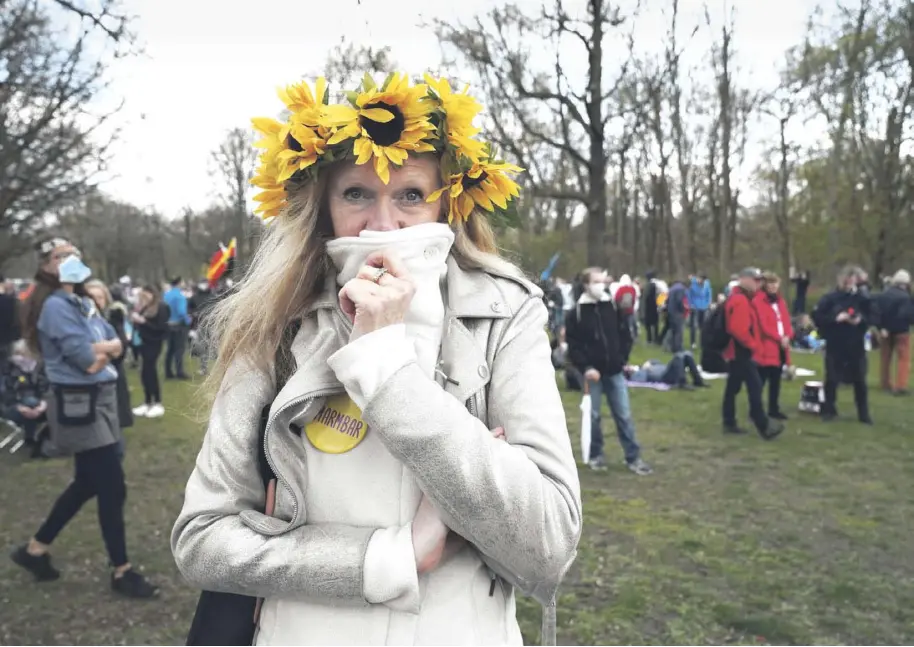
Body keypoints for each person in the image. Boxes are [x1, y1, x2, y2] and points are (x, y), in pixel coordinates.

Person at [171, 73, 582, 645]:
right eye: (357, 194)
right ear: (323, 209)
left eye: (411, 195)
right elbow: (202, 539)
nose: (383, 226)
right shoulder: (272, 323)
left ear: (447, 205)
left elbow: (548, 543)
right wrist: (389, 560)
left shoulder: (504, 314)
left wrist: (384, 365)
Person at [11, 244, 157, 598]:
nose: (70, 260)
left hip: (100, 400)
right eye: (60, 256)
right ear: (46, 267)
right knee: (110, 485)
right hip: (79, 404)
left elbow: (118, 342)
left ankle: (34, 550)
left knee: (87, 483)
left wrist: (105, 350)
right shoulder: (55, 307)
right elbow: (84, 360)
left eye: (74, 253)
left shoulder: (82, 302)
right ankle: (121, 571)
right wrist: (104, 351)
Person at [566, 267, 651, 474]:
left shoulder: (611, 306)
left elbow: (624, 334)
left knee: (623, 414)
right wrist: (586, 367)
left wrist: (621, 358)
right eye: (595, 281)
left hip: (614, 370)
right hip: (592, 373)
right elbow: (573, 346)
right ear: (586, 284)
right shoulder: (576, 312)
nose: (600, 285)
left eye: (602, 281)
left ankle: (633, 457)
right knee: (594, 416)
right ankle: (596, 455)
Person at [721, 268, 784, 439]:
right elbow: (738, 329)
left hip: (736, 351)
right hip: (741, 351)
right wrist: (753, 345)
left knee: (733, 387)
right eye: (755, 280)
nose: (759, 284)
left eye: (760, 281)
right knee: (754, 386)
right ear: (744, 279)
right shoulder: (741, 300)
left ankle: (729, 421)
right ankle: (763, 426)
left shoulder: (740, 298)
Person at [811, 266, 873, 424]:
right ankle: (829, 409)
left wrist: (860, 320)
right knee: (831, 378)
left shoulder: (862, 298)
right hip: (835, 343)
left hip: (856, 343)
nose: (848, 283)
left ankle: (863, 414)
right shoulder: (829, 298)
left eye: (851, 279)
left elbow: (873, 316)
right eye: (845, 280)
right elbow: (818, 317)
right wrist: (835, 318)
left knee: (860, 380)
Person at [86, 280, 134, 433]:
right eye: (91, 297)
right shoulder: (80, 321)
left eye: (100, 297)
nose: (96, 301)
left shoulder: (112, 318)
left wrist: (97, 349)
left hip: (113, 373)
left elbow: (120, 348)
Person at [753, 272, 793, 420]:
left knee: (776, 380)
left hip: (781, 346)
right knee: (761, 379)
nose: (773, 286)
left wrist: (788, 336)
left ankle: (773, 408)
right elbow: (764, 325)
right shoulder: (759, 301)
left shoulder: (780, 301)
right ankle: (756, 409)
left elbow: (786, 321)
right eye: (770, 283)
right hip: (767, 346)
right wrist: (779, 338)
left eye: (775, 283)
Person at [131, 285, 170, 418]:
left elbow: (161, 328)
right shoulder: (144, 307)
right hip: (143, 342)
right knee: (144, 372)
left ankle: (157, 402)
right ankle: (147, 401)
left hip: (154, 342)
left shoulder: (161, 307)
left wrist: (143, 322)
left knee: (150, 371)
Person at [874, 270, 913, 396]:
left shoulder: (883, 295)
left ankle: (885, 383)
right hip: (901, 331)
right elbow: (907, 315)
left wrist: (881, 327)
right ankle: (900, 385)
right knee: (903, 359)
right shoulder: (905, 297)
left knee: (885, 358)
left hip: (885, 331)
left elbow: (877, 313)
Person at [624, 351, 709, 390]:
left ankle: (698, 381)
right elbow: (641, 380)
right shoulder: (636, 375)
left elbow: (657, 361)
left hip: (668, 369)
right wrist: (643, 369)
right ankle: (682, 383)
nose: (629, 367)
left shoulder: (642, 366)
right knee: (678, 357)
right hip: (665, 376)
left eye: (628, 366)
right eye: (627, 369)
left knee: (687, 355)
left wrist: (649, 362)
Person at [164, 277, 192, 380]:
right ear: (179, 283)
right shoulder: (180, 297)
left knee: (170, 349)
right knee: (179, 349)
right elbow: (181, 312)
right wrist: (188, 320)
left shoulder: (166, 295)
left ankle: (168, 371)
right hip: (179, 326)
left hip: (168, 324)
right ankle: (179, 372)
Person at [688, 272, 712, 349]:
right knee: (694, 326)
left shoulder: (707, 284)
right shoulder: (693, 284)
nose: (701, 281)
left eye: (702, 280)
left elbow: (709, 294)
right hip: (695, 307)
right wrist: (691, 305)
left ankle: (702, 342)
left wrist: (708, 303)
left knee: (704, 326)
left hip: (704, 307)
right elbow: (689, 295)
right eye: (700, 279)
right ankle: (693, 342)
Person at [665, 278, 688, 353]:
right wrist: (683, 309)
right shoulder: (681, 289)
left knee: (673, 330)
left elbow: (667, 300)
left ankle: (670, 346)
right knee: (679, 331)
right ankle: (678, 348)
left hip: (671, 311)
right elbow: (679, 300)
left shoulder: (672, 288)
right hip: (677, 312)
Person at [643, 271, 660, 344]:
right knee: (654, 324)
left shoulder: (650, 285)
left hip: (650, 306)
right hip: (654, 306)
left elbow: (647, 297)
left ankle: (650, 339)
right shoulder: (656, 284)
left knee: (649, 324)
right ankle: (655, 338)